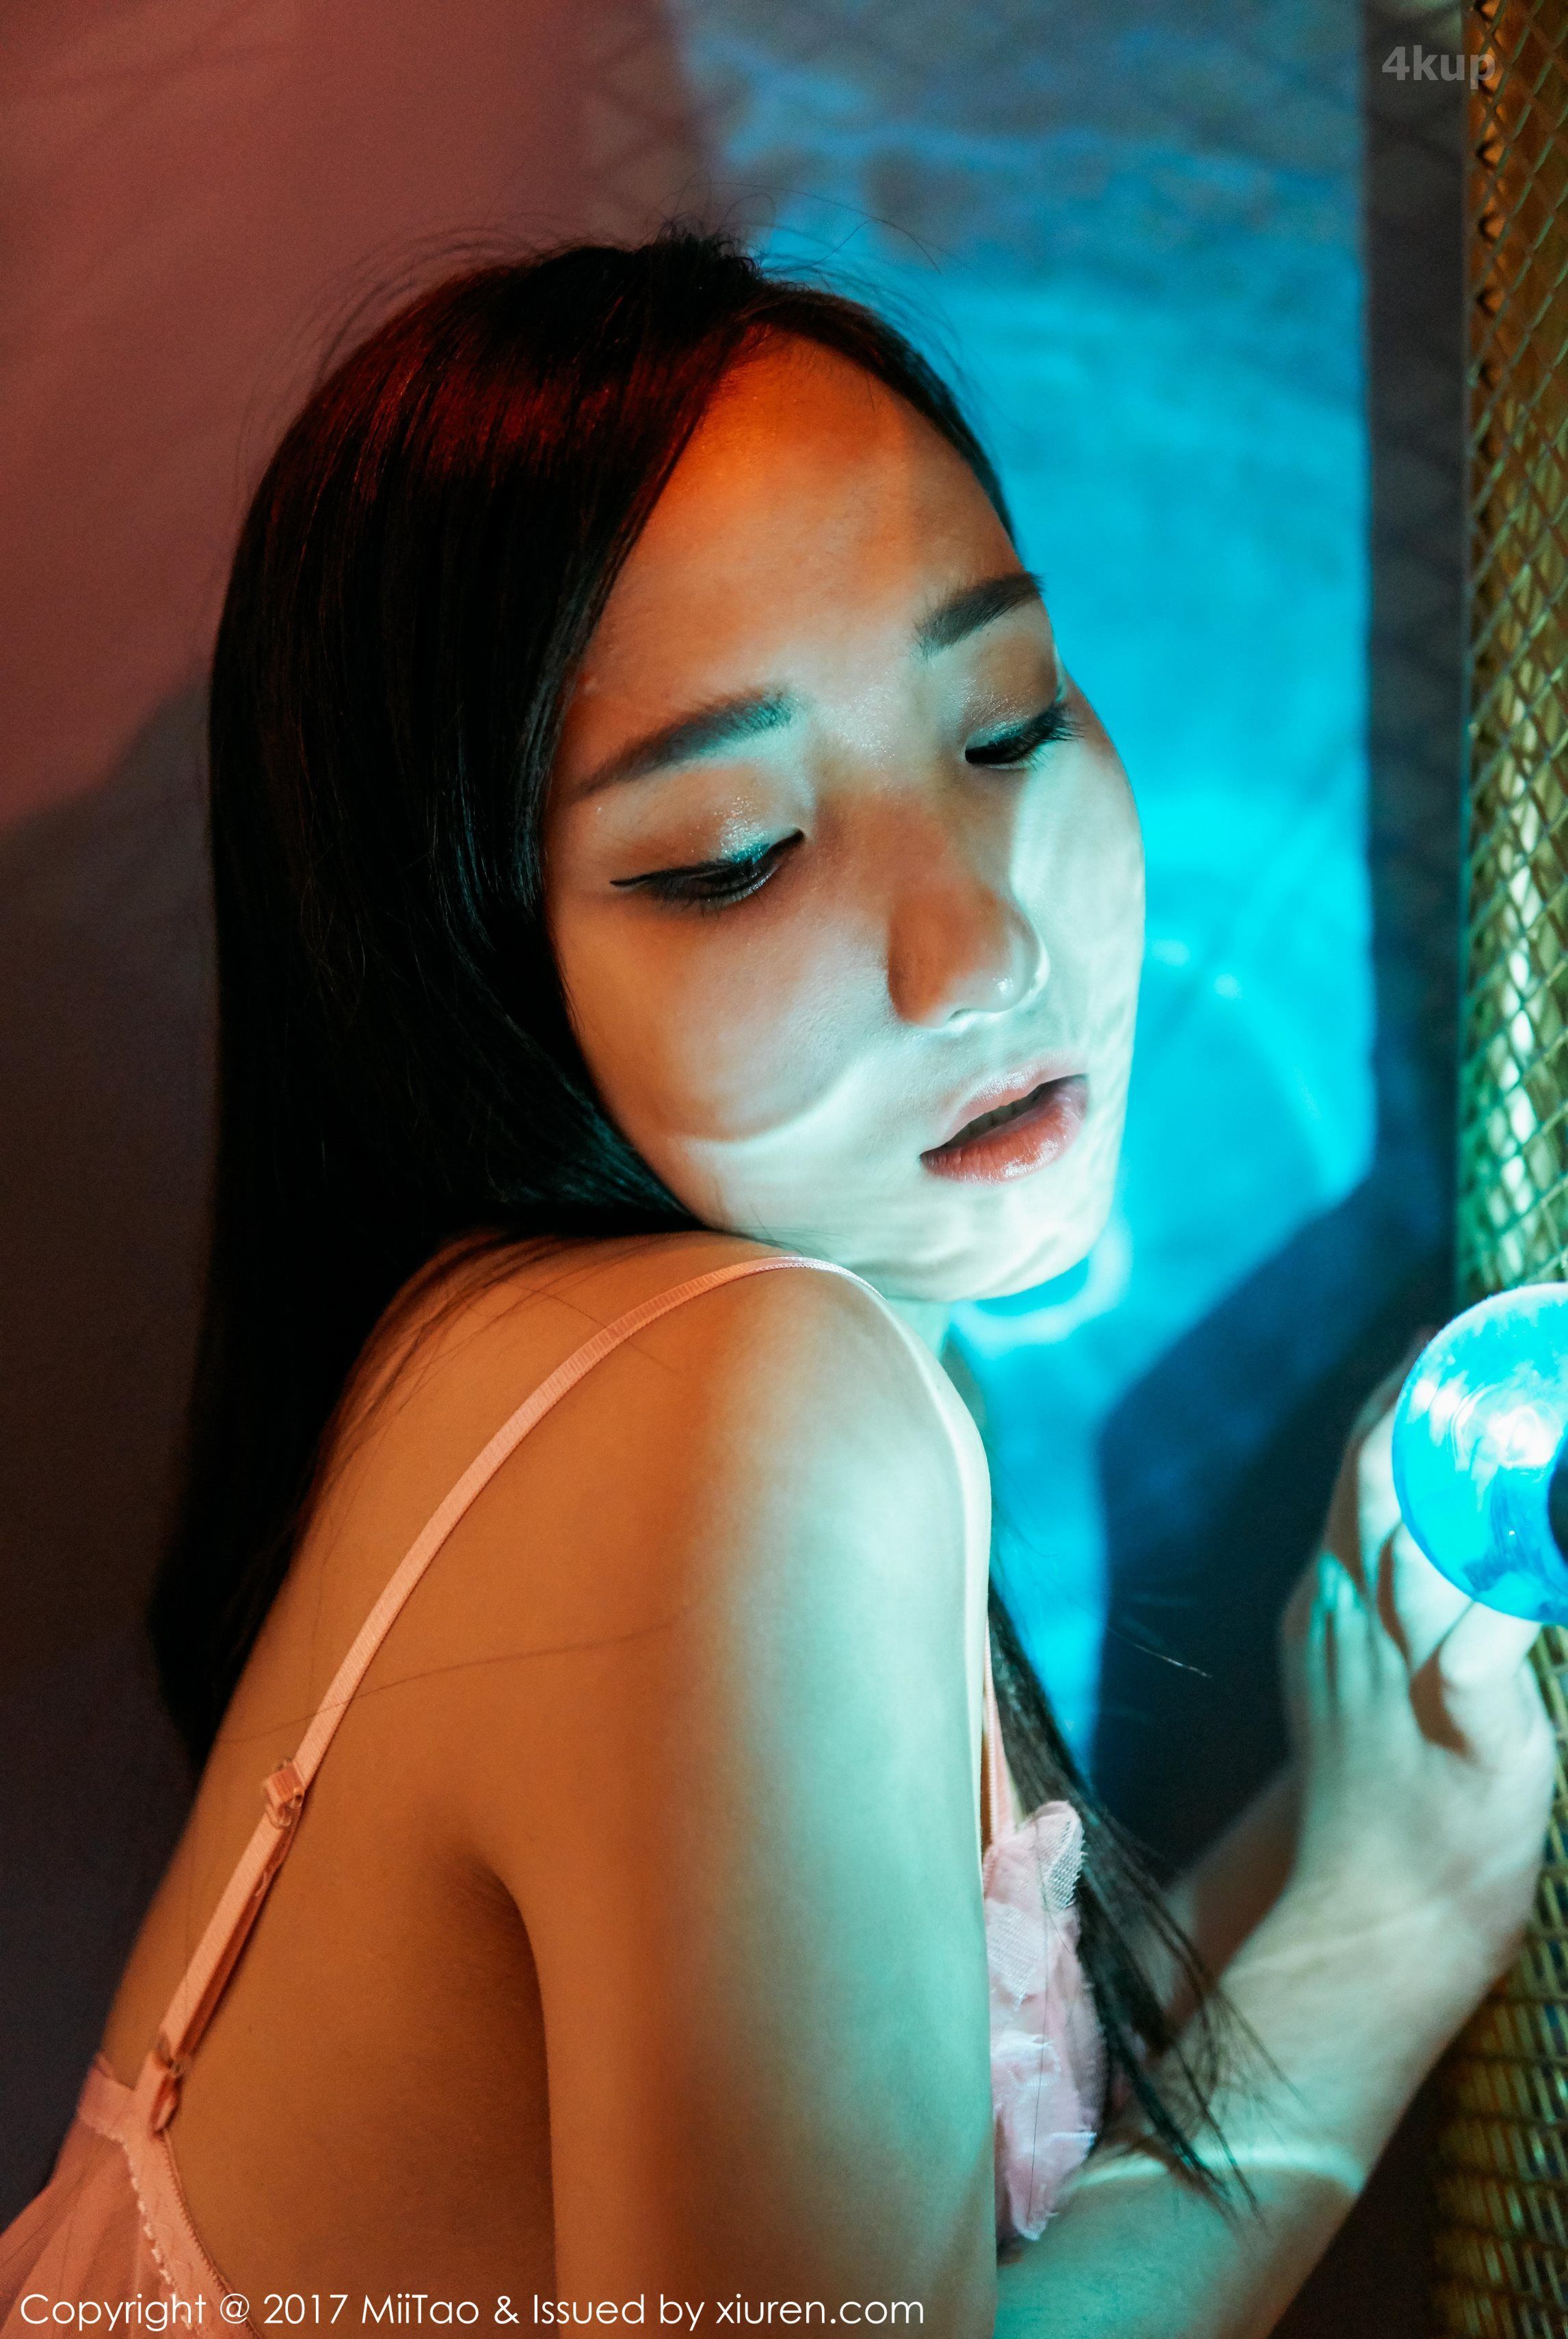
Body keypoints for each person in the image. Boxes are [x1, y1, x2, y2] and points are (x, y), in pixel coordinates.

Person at [0, 230, 1552, 2338]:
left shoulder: (565, 1359)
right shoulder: (738, 1393)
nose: (980, 949)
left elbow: (931, 2253)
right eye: (732, 855)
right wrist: (1393, 1927)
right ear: (470, 966)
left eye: (1006, 722)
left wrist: (1358, 1804)